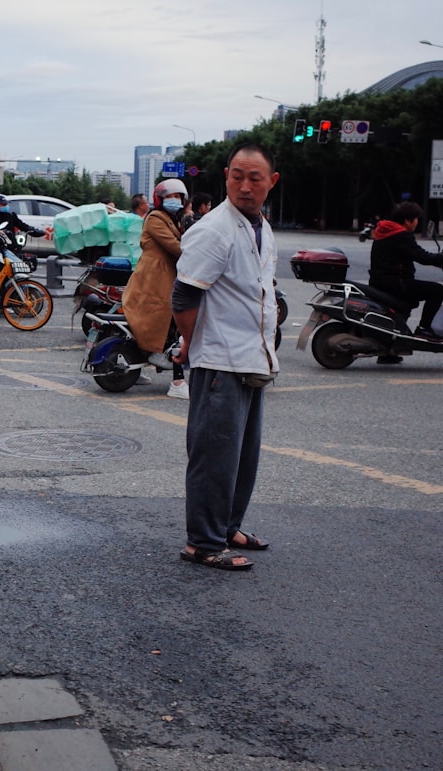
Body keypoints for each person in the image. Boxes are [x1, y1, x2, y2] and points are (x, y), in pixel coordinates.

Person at [171, 142, 280, 571]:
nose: (245, 185)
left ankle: (227, 525)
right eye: (237, 175)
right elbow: (184, 295)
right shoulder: (214, 228)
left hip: (251, 358)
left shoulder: (258, 226)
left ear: (272, 182)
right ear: (225, 175)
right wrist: (188, 343)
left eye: (255, 177)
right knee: (214, 455)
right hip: (220, 359)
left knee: (242, 454)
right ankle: (203, 541)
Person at [120, 179, 190, 399]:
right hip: (154, 279)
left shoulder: (173, 218)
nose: (175, 201)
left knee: (152, 324)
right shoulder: (156, 218)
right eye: (170, 197)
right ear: (160, 199)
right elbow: (175, 246)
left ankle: (134, 368)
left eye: (178, 197)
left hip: (165, 276)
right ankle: (178, 382)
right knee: (173, 324)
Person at [368, 201, 443, 341]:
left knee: (408, 302)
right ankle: (424, 329)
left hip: (380, 281)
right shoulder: (401, 235)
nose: (416, 223)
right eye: (416, 220)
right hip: (397, 283)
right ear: (408, 220)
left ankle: (390, 348)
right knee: (437, 290)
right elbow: (422, 256)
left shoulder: (386, 231)